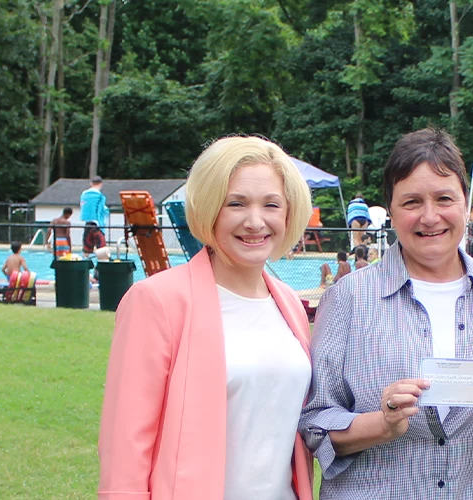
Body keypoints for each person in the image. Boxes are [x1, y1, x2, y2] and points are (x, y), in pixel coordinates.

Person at [300, 128, 473, 499]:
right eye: (412, 202)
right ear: (392, 212)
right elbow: (315, 423)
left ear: (465, 203)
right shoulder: (347, 298)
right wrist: (382, 425)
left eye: (444, 198)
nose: (430, 217)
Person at [99, 136, 316, 500]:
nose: (255, 221)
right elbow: (126, 445)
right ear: (209, 207)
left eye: (271, 205)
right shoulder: (157, 301)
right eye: (237, 203)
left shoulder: (290, 305)